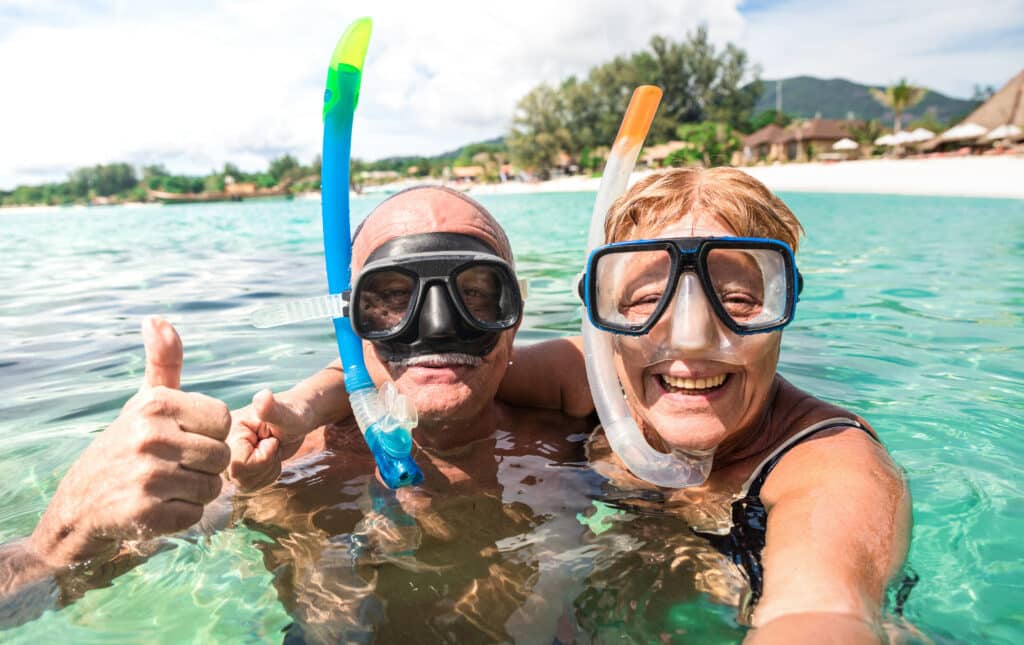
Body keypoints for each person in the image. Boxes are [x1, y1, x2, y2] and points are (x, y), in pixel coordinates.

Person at [499, 167, 914, 642]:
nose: (690, 339)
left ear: (784, 306)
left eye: (737, 300)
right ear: (603, 314)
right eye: (649, 298)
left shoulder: (832, 466)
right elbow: (447, 385)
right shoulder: (590, 378)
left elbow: (819, 613)